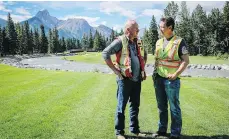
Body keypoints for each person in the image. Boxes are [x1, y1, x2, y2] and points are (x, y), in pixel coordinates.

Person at [102, 19, 147, 139]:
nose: (138, 30)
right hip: (124, 80)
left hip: (137, 80)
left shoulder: (138, 42)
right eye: (136, 28)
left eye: (138, 28)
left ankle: (135, 130)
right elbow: (105, 53)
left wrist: (141, 67)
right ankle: (119, 132)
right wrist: (116, 71)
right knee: (121, 106)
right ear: (128, 30)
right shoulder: (120, 41)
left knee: (135, 105)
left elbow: (144, 55)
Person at [152, 17, 189, 139]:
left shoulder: (179, 42)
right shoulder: (158, 42)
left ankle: (175, 132)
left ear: (170, 28)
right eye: (160, 26)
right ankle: (162, 130)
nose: (160, 29)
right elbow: (157, 60)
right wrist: (154, 74)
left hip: (171, 80)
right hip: (158, 79)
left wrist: (176, 74)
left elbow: (185, 61)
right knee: (161, 106)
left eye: (162, 27)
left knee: (174, 107)